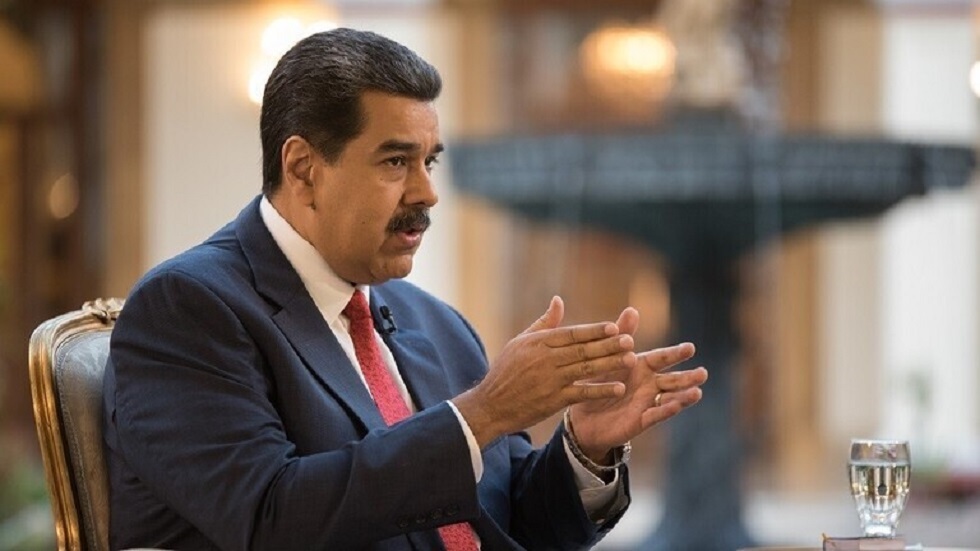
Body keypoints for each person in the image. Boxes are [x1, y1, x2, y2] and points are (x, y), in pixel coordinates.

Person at [102, 27, 708, 551]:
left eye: (429, 161)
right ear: (304, 169)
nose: (427, 193)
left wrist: (584, 447)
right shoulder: (190, 308)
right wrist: (483, 412)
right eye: (396, 162)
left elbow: (512, 523)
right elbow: (268, 517)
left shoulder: (436, 324)